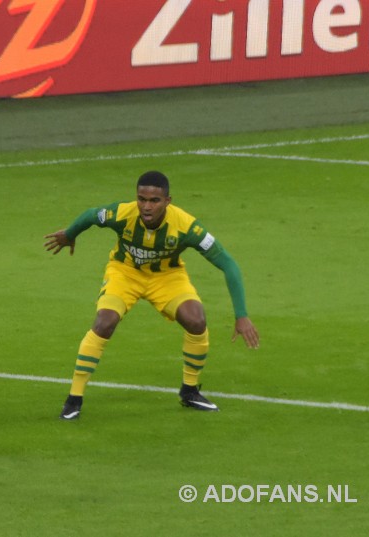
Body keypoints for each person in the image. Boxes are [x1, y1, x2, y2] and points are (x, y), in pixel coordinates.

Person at [44, 171, 259, 417]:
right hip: (125, 273)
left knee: (196, 319)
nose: (146, 206)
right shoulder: (123, 213)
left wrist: (241, 315)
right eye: (141, 199)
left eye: (154, 201)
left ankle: (189, 391)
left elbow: (228, 264)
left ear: (168, 201)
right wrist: (70, 234)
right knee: (105, 321)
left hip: (167, 278)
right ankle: (74, 399)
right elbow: (92, 215)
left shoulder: (187, 226)